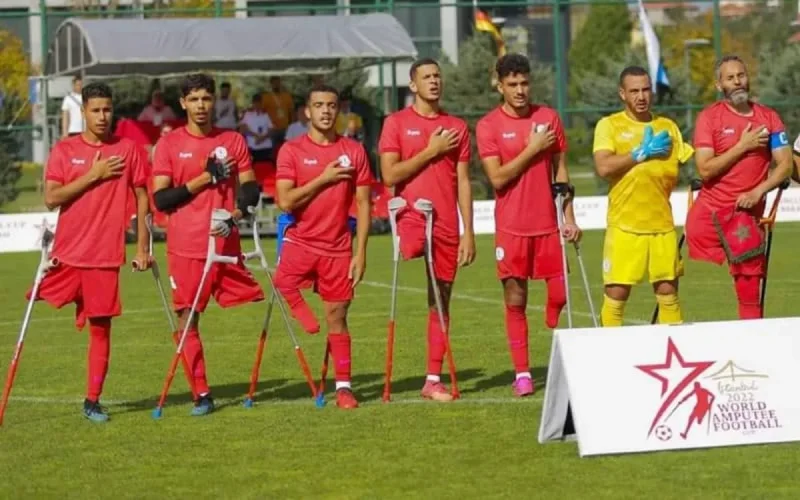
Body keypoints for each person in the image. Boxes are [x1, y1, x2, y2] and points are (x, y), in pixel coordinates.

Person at [33, 81, 151, 422]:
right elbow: (52, 198)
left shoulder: (129, 149)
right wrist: (94, 174)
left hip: (104, 258)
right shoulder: (64, 150)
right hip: (66, 257)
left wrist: (143, 247)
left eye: (107, 110)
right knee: (31, 300)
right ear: (82, 112)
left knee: (101, 330)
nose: (102, 116)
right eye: (95, 110)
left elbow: (143, 197)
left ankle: (92, 400)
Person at [151, 73, 265, 416]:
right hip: (185, 245)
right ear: (183, 103)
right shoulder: (169, 145)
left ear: (213, 101)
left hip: (224, 242)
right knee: (188, 318)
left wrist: (238, 211)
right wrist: (204, 179)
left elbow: (250, 187)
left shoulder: (232, 140)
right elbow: (161, 199)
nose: (201, 105)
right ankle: (202, 392)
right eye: (194, 99)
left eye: (206, 98)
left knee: (263, 300)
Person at [476, 53, 580, 397]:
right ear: (500, 86)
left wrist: (569, 217)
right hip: (511, 226)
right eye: (512, 84)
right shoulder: (489, 125)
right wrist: (532, 148)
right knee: (516, 298)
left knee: (561, 293)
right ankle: (522, 373)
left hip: (548, 226)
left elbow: (560, 171)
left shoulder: (549, 117)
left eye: (524, 83)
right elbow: (498, 178)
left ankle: (552, 311)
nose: (520, 90)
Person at [378, 58, 476, 403]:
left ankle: (432, 380)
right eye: (426, 77)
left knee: (440, 298)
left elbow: (464, 181)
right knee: (412, 247)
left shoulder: (457, 127)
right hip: (412, 216)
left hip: (448, 221)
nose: (434, 81)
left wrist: (469, 232)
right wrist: (431, 151)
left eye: (437, 76)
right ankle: (412, 240)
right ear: (413, 85)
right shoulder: (396, 123)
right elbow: (390, 176)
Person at [273, 84, 373, 410]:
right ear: (307, 111)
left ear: (338, 109)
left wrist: (361, 253)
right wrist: (323, 179)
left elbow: (363, 202)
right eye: (319, 105)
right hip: (301, 239)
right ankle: (302, 312)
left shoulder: (354, 151)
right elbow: (285, 200)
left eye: (331, 105)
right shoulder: (291, 150)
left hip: (338, 247)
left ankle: (344, 388)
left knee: (338, 316)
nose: (326, 111)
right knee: (283, 281)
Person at [686, 55, 792, 320]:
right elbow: (705, 169)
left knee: (749, 289)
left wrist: (758, 191)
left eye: (741, 76)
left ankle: (752, 348)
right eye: (730, 78)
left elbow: (785, 166)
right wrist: (742, 146)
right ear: (719, 85)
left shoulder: (768, 117)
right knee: (669, 278)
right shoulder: (709, 118)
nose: (737, 82)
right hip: (709, 214)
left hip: (746, 215)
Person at [592, 65, 695, 327]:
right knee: (616, 294)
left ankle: (673, 359)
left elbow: (694, 164)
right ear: (622, 94)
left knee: (668, 293)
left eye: (646, 90)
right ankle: (608, 357)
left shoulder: (668, 127)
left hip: (662, 225)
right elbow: (603, 167)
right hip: (625, 225)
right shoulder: (609, 125)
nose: (641, 96)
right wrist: (640, 153)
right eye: (634, 91)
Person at [239, 93, 274, 163]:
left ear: (261, 103)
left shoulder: (266, 115)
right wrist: (255, 135)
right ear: (252, 103)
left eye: (259, 103)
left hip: (266, 147)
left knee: (266, 167)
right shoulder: (247, 114)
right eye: (255, 103)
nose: (257, 105)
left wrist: (262, 138)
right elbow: (242, 129)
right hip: (252, 147)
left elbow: (271, 129)